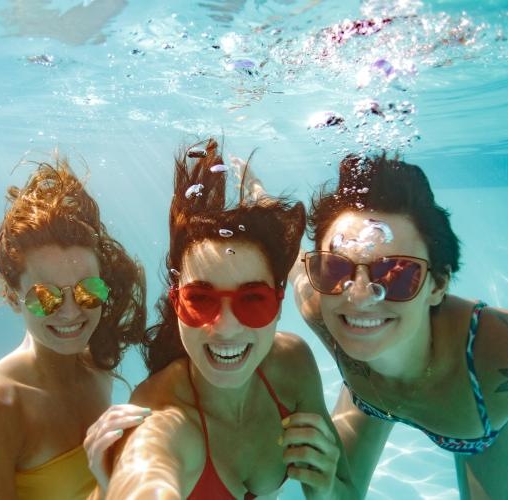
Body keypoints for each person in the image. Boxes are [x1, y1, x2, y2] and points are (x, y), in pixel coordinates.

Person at [283, 153, 508, 499]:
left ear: (438, 285)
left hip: (476, 421)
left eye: (396, 275)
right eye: (336, 269)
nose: (359, 296)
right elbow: (292, 258)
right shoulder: (320, 303)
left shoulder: (507, 354)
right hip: (371, 400)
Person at [97, 138, 358, 499]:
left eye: (253, 300)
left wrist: (325, 487)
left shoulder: (292, 365)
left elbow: (345, 493)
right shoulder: (161, 417)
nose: (226, 326)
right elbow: (145, 478)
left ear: (279, 305)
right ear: (176, 303)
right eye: (200, 300)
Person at [0, 156, 146, 499]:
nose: (69, 311)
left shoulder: (97, 366)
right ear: (11, 296)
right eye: (45, 296)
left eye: (87, 291)